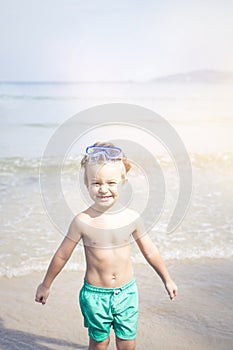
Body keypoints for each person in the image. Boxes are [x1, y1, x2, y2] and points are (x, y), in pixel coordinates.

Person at [35, 141, 177, 350]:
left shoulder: (132, 218)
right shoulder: (82, 221)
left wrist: (167, 279)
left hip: (127, 293)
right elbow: (62, 255)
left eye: (111, 183)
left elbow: (150, 250)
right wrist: (46, 285)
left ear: (123, 181)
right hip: (95, 296)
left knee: (127, 343)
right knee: (99, 343)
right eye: (96, 183)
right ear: (87, 184)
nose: (103, 189)